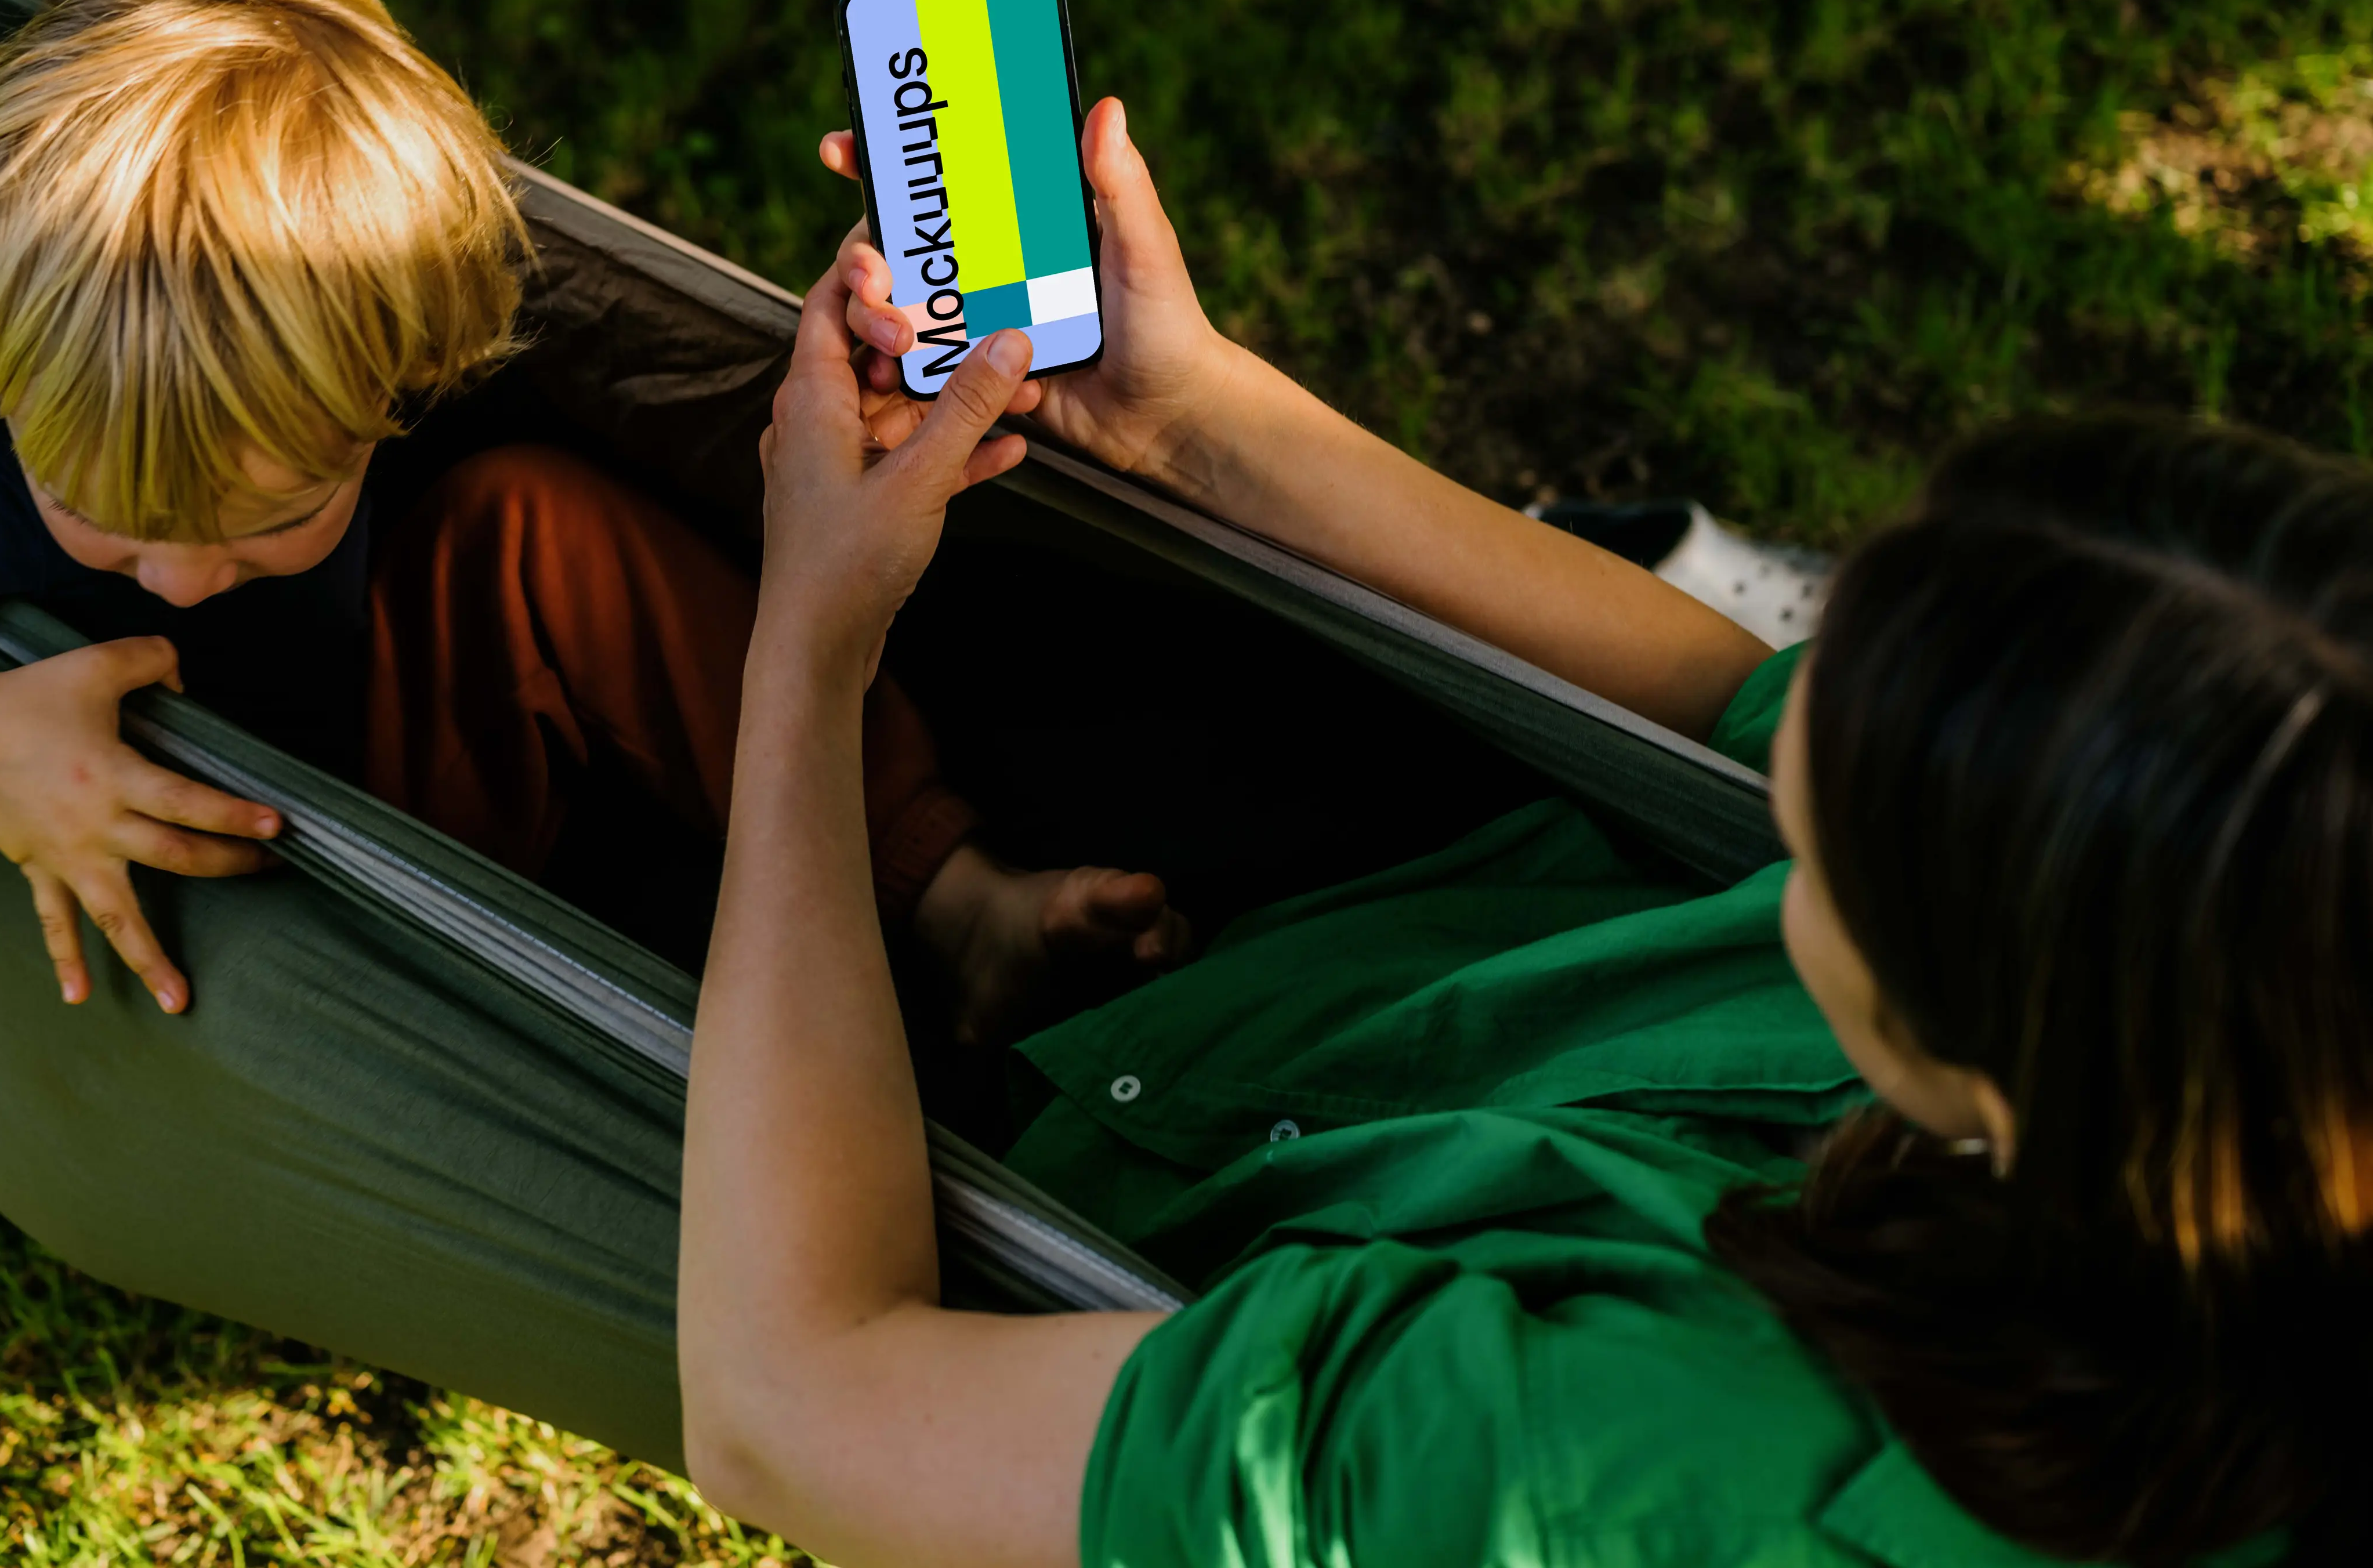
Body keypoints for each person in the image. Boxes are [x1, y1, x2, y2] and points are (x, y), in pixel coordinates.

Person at [675, 92, 2365, 1566]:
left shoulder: (1610, 1468)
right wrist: (1193, 413)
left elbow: (797, 1403)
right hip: (1338, 973)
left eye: (1861, 768)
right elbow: (1718, 706)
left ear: (1969, 1037)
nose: (1810, 687)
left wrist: (814, 646)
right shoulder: (2245, 1015)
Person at [0, 0, 1186, 1037]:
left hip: (417, 783)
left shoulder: (372, 364)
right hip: (275, 917)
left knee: (529, 523)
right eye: (107, 517)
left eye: (263, 520)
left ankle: (949, 895)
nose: (175, 574)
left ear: (398, 385)